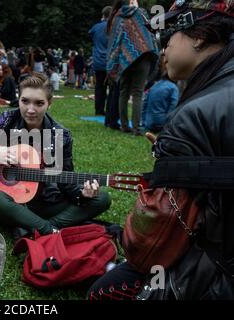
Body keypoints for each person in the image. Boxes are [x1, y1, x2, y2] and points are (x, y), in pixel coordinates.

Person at [88, 0, 234, 300]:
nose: (163, 50)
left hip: (215, 274)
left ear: (199, 37)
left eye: (170, 37)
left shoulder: (196, 113)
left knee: (103, 292)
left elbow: (149, 243)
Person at [0, 73, 111, 239]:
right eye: (25, 101)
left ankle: (39, 227)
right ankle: (48, 229)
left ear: (49, 104)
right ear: (18, 99)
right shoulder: (7, 120)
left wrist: (82, 194)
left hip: (44, 202)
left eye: (39, 103)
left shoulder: (60, 136)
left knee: (102, 198)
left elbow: (64, 181)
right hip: (9, 200)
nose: (30, 109)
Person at [106, 0, 159, 135]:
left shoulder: (117, 16)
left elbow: (114, 41)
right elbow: (151, 32)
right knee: (137, 92)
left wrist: (117, 60)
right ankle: (136, 128)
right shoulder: (141, 14)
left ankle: (124, 126)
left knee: (123, 92)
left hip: (124, 60)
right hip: (143, 57)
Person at [141, 56, 179, 133]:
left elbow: (145, 104)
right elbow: (173, 108)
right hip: (161, 124)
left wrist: (144, 122)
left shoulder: (154, 86)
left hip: (148, 123)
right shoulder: (173, 88)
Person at [89, 6, 112, 115]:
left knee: (99, 87)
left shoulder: (96, 27)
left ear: (103, 15)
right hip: (111, 62)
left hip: (98, 61)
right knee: (112, 88)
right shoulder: (114, 27)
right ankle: (110, 110)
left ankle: (99, 110)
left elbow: (91, 35)